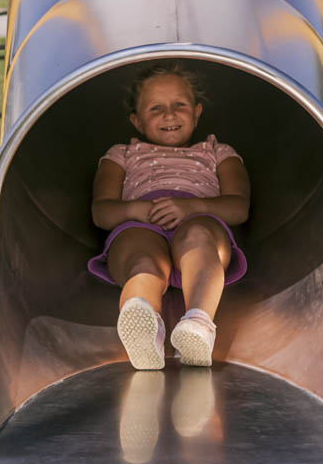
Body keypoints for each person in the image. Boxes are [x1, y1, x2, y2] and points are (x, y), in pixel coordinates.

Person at [90, 64, 250, 370]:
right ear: (136, 120)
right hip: (140, 224)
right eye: (155, 108)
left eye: (180, 105)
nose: (169, 115)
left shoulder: (217, 152)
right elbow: (102, 211)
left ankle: (198, 324)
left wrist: (192, 207)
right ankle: (145, 328)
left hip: (199, 218)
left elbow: (238, 207)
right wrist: (136, 210)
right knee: (143, 262)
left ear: (197, 112)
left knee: (199, 238)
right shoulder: (122, 154)